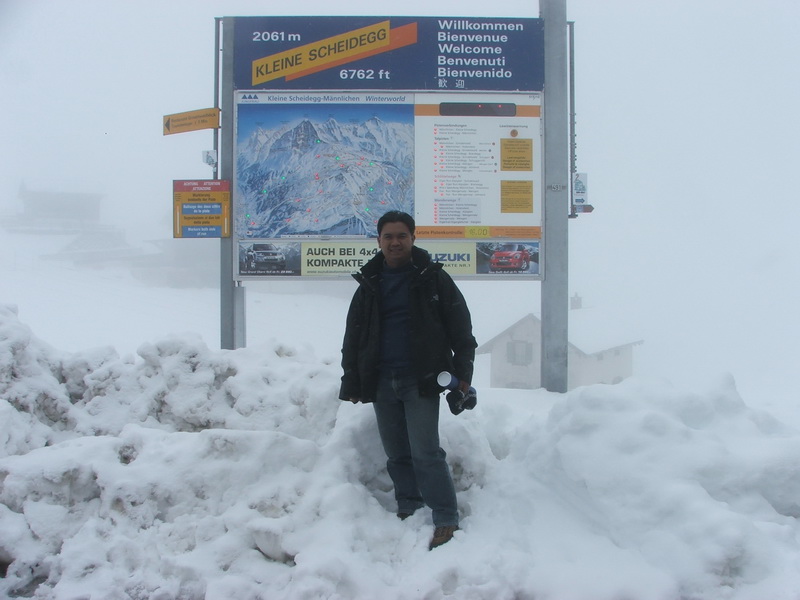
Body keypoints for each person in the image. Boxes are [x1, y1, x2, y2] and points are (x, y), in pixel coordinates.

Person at [339, 210, 477, 550]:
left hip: (422, 380)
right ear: (379, 241)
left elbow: (462, 331)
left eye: (402, 235)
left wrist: (463, 376)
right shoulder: (370, 283)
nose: (395, 242)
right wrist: (352, 382)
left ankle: (445, 515)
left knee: (426, 451)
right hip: (381, 380)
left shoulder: (434, 278)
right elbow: (353, 338)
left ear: (413, 238)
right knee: (396, 453)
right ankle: (409, 505)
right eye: (388, 236)